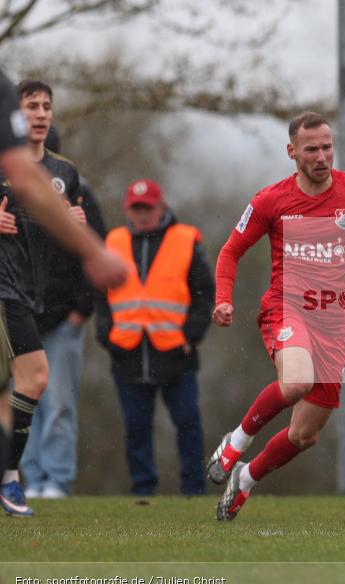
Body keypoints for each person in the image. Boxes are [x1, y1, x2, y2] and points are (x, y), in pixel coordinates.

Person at [208, 111, 345, 521]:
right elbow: (230, 251)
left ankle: (245, 480)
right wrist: (223, 298)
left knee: (304, 434)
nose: (321, 156)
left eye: (327, 147)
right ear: (291, 152)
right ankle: (236, 442)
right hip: (286, 308)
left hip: (333, 324)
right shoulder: (270, 200)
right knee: (296, 381)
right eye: (311, 149)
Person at [0, 73, 126, 517]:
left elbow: (71, 228)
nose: (38, 114)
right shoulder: (8, 166)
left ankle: (22, 477)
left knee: (30, 390)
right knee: (32, 381)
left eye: (44, 107)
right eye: (30, 106)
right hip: (6, 290)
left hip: (40, 299)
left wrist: (79, 231)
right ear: (15, 113)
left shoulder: (65, 173)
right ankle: (14, 477)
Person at [94, 179, 214, 496]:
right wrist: (106, 335)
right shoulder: (113, 241)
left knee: (188, 423)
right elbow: (100, 294)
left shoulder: (186, 239)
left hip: (176, 352)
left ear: (161, 206)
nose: (143, 214)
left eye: (148, 207)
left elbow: (204, 293)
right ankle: (143, 491)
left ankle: (194, 489)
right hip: (127, 351)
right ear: (127, 210)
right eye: (137, 208)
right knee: (135, 428)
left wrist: (192, 336)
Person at [20, 126, 108, 499]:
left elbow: (96, 252)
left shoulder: (79, 193)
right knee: (25, 402)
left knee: (58, 404)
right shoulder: (12, 192)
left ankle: (55, 478)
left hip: (63, 318)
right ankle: (32, 477)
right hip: (21, 316)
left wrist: (81, 309)